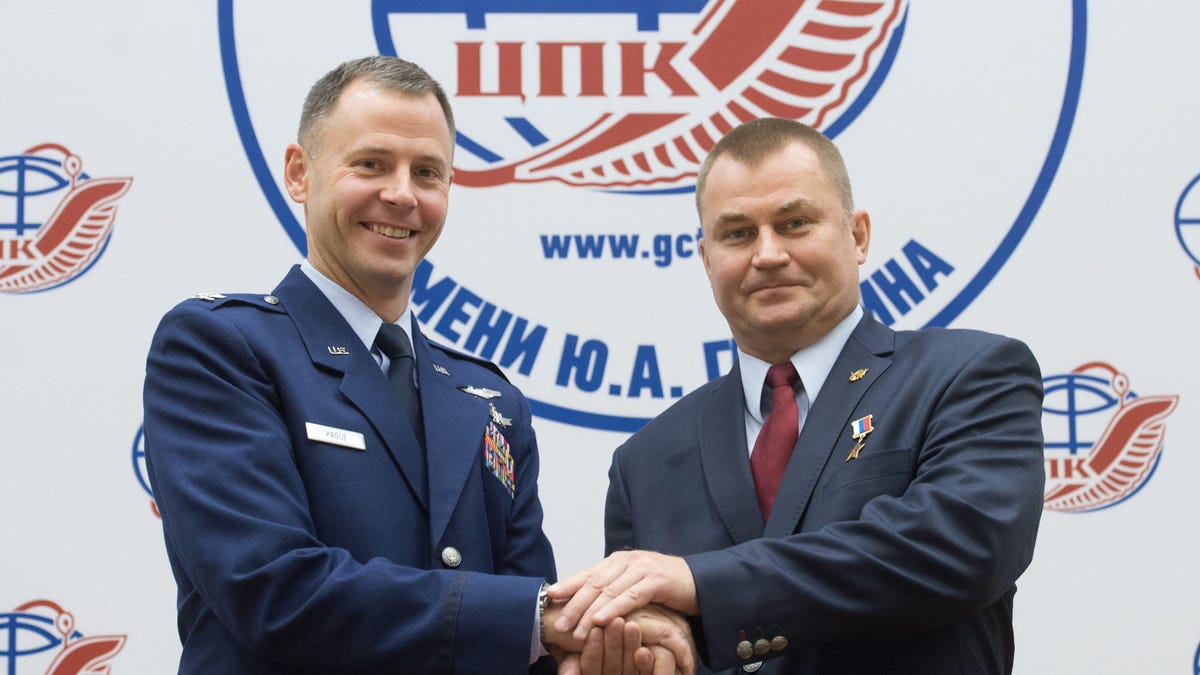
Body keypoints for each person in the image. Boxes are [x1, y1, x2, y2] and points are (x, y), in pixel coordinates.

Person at [142, 56, 690, 674]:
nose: (402, 194)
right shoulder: (221, 348)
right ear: (300, 173)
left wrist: (596, 652)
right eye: (371, 164)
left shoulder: (489, 400)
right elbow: (273, 589)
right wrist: (543, 619)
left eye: (427, 172)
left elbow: (525, 637)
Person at [548, 118, 1046, 674]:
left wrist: (701, 583)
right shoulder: (645, 461)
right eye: (737, 233)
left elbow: (960, 549)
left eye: (795, 223)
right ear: (707, 259)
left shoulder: (966, 377)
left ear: (857, 236)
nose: (768, 254)